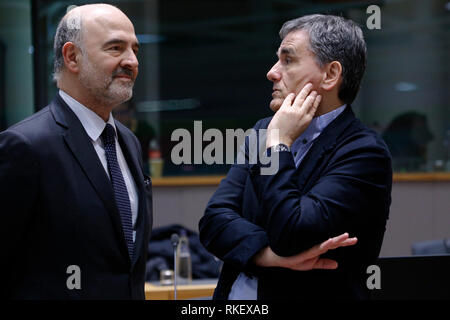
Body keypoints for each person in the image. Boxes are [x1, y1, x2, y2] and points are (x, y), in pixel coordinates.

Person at [199, 14, 392, 300]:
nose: (272, 72)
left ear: (330, 75)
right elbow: (214, 222)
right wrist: (266, 255)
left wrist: (279, 144)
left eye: (287, 60)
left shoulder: (364, 152)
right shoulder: (263, 129)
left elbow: (292, 234)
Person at [0, 4, 152, 299]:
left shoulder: (127, 142)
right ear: (72, 57)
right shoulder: (25, 146)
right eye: (115, 48)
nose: (132, 61)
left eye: (135, 49)